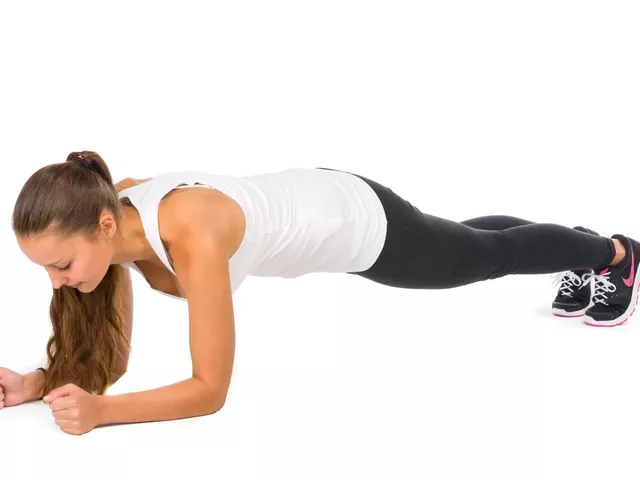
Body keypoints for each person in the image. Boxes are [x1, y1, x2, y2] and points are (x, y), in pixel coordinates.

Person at [0, 150, 638, 435]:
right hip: (313, 197)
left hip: (355, 225)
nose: (57, 281)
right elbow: (111, 350)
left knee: (482, 256)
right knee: (464, 241)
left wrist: (103, 412)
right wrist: (40, 381)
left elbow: (209, 391)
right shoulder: (113, 219)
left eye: (61, 264)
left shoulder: (190, 235)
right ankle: (576, 246)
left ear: (104, 225)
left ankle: (614, 255)